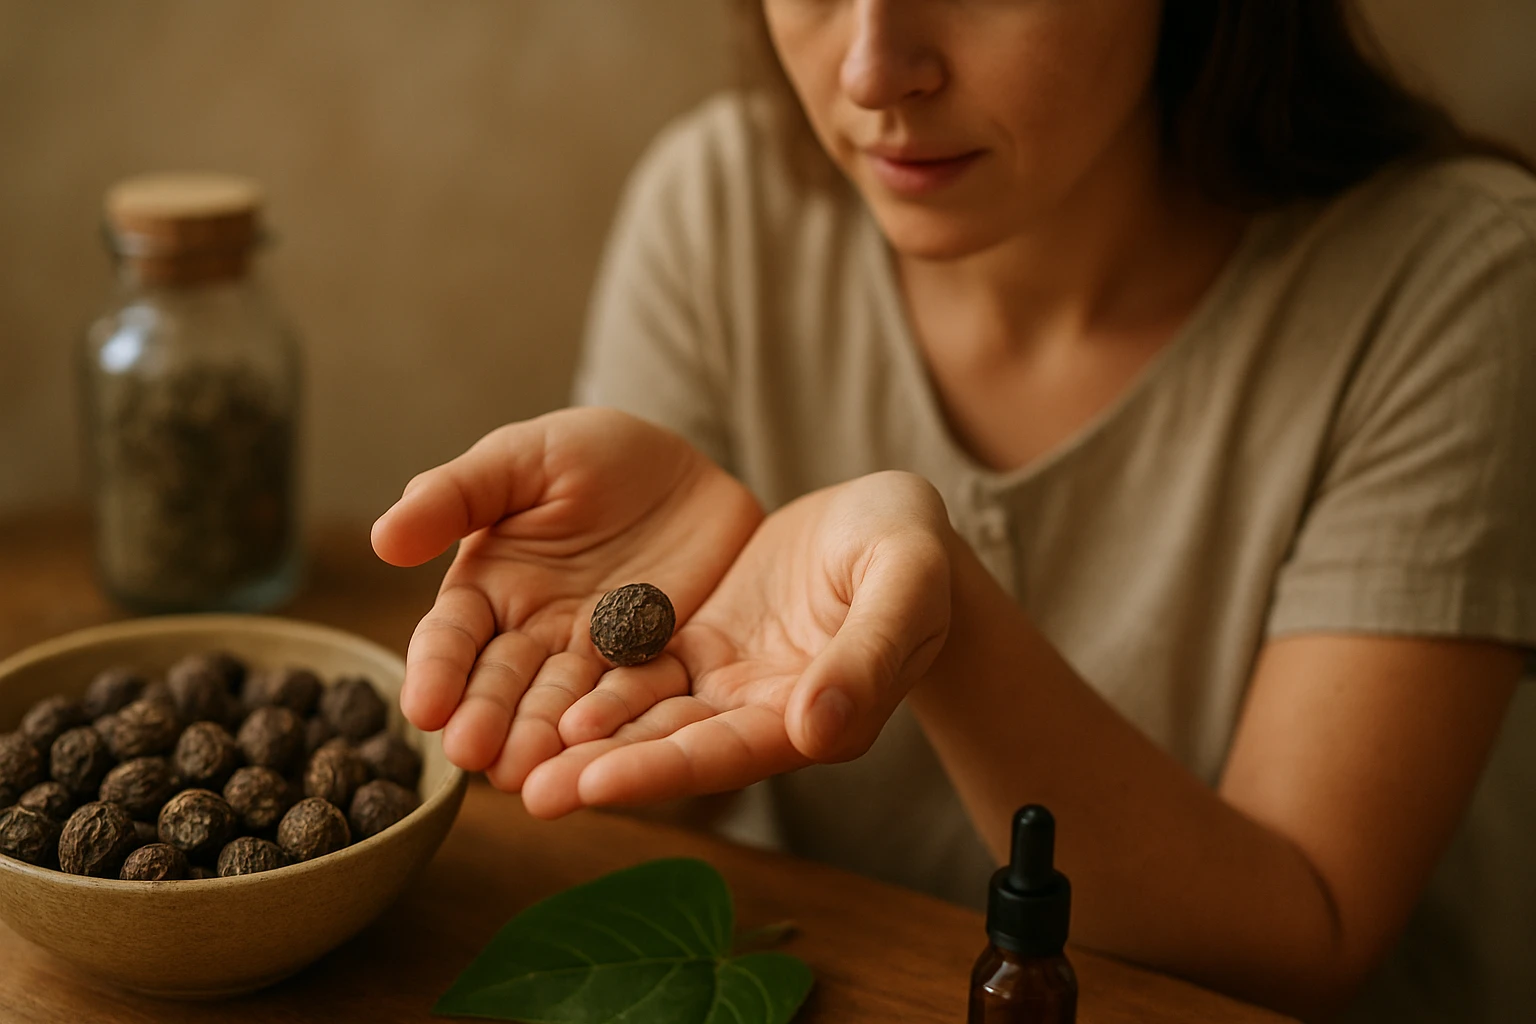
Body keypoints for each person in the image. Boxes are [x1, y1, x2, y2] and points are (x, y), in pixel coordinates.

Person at [370, 2, 1536, 1020]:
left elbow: (1302, 952)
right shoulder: (718, 203)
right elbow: (692, 766)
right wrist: (659, 662)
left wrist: (943, 614)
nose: (875, 72)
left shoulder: (1457, 279)